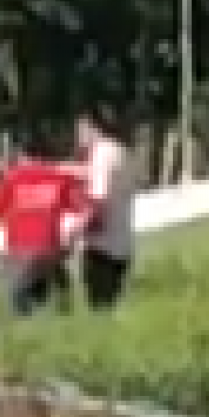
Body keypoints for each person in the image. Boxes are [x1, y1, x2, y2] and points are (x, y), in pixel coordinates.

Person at [0, 149, 91, 317]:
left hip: (18, 254)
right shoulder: (60, 178)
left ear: (21, 155)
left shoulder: (9, 179)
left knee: (20, 306)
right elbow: (85, 211)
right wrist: (70, 243)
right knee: (60, 294)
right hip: (49, 253)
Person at [73, 113, 136, 311]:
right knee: (111, 308)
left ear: (93, 128)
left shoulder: (100, 155)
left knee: (99, 309)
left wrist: (75, 231)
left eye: (81, 131)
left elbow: (97, 199)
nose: (78, 137)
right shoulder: (119, 151)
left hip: (102, 248)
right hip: (123, 244)